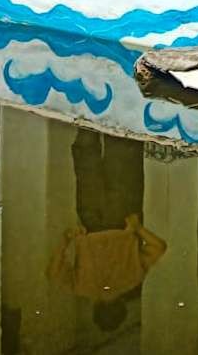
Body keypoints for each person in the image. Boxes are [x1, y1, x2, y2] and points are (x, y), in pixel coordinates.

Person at [49, 130, 166, 333]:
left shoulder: (134, 278)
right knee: (87, 155)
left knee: (122, 151)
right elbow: (52, 273)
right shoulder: (81, 287)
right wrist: (67, 240)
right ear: (96, 309)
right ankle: (87, 109)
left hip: (122, 215)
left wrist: (137, 228)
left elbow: (159, 247)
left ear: (121, 306)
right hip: (91, 217)